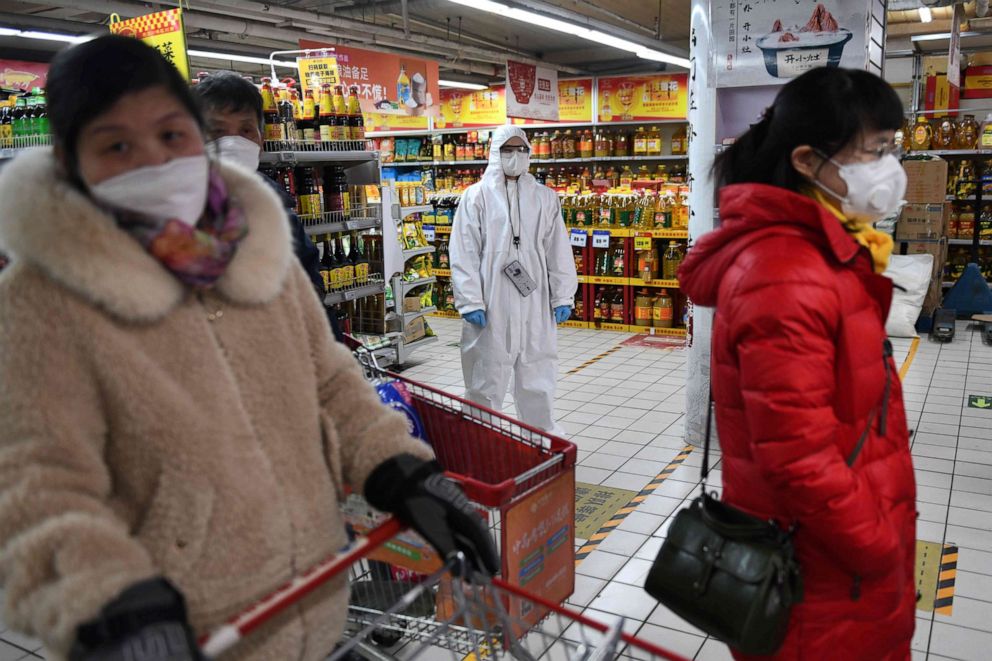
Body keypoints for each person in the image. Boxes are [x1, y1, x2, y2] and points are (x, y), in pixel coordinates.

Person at [0, 36, 496, 661]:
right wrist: (105, 599)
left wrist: (401, 469)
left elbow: (331, 381)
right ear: (71, 159)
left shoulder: (256, 252)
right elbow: (32, 484)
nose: (155, 158)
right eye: (117, 143)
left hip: (312, 601)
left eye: (171, 132)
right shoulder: (43, 297)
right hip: (183, 631)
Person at [679, 67, 916, 660]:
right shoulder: (786, 274)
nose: (890, 169)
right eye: (875, 152)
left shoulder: (826, 251)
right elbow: (797, 458)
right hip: (820, 567)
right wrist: (876, 544)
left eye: (893, 149)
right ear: (808, 162)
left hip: (829, 560)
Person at [191, 70, 343, 341]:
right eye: (217, 131)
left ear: (260, 139)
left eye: (246, 130)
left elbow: (310, 287)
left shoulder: (277, 205)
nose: (234, 141)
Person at [450, 126, 577, 435]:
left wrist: (563, 295)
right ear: (495, 153)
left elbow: (558, 249)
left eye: (522, 150)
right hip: (491, 298)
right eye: (508, 150)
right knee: (486, 374)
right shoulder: (475, 197)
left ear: (530, 154)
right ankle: (482, 443)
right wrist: (469, 300)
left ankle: (541, 440)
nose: (515, 157)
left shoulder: (545, 198)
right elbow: (463, 251)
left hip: (534, 298)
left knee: (537, 370)